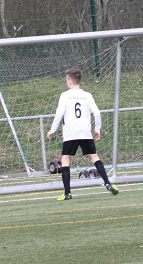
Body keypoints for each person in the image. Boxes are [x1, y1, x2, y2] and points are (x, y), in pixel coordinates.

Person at [46, 68, 119, 200]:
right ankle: (108, 183)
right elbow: (97, 113)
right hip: (85, 133)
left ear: (69, 82)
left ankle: (67, 193)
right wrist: (97, 129)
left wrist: (52, 130)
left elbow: (59, 113)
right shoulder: (87, 95)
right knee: (94, 156)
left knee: (65, 159)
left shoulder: (65, 95)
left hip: (71, 133)